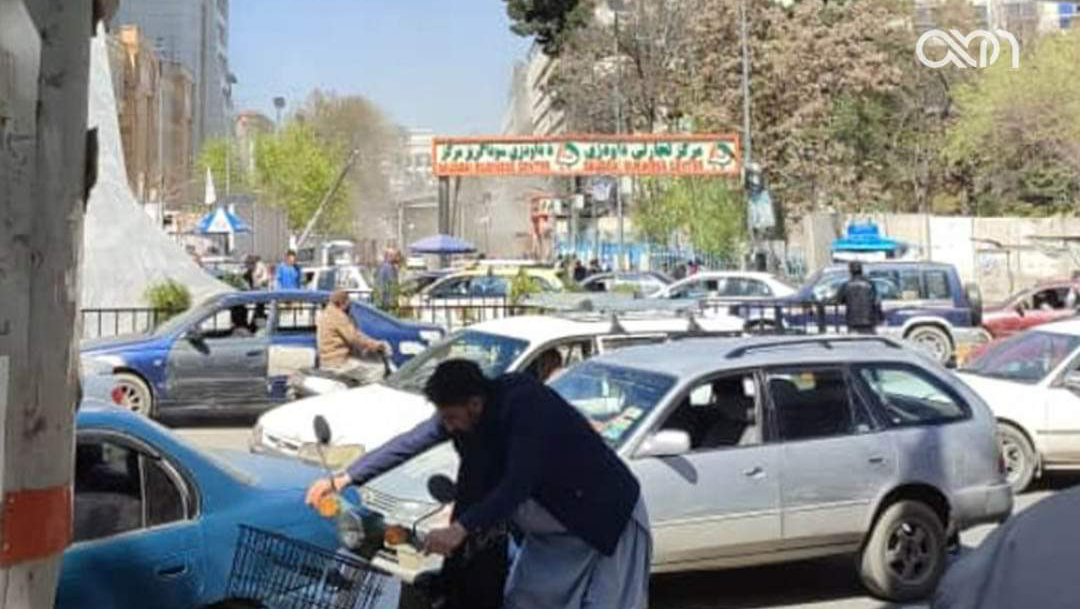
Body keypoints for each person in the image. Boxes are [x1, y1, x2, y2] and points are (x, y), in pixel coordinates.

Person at [306, 360, 652, 609]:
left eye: (452, 418)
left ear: (475, 403)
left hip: (605, 519)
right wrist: (343, 478)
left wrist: (460, 529)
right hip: (552, 534)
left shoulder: (526, 406)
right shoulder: (465, 415)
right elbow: (411, 441)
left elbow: (517, 484)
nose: (448, 427)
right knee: (522, 599)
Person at [316, 290, 390, 379]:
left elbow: (353, 334)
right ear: (342, 303)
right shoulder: (337, 316)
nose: (349, 307)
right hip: (339, 362)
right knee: (377, 370)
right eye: (348, 304)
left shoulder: (326, 313)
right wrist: (375, 345)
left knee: (363, 365)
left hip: (327, 362)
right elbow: (354, 338)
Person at [835, 260, 881, 334]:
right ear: (861, 270)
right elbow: (877, 302)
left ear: (850, 271)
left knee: (854, 339)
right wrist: (879, 316)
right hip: (869, 320)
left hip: (852, 320)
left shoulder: (846, 285)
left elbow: (839, 300)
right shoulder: (870, 284)